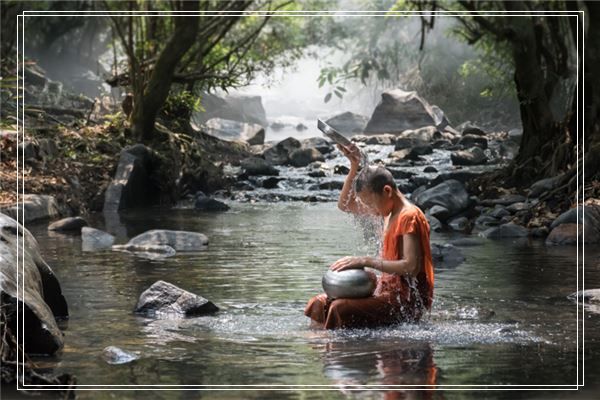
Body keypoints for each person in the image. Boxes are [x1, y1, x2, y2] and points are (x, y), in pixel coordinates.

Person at [304, 142, 434, 329]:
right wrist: (354, 166)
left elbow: (411, 266)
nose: (368, 210)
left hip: (406, 302)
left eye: (370, 203)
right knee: (319, 303)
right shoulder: (387, 211)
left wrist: (365, 261)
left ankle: (331, 348)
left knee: (340, 308)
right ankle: (319, 349)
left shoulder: (409, 216)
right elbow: (346, 205)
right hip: (385, 292)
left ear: (387, 191)